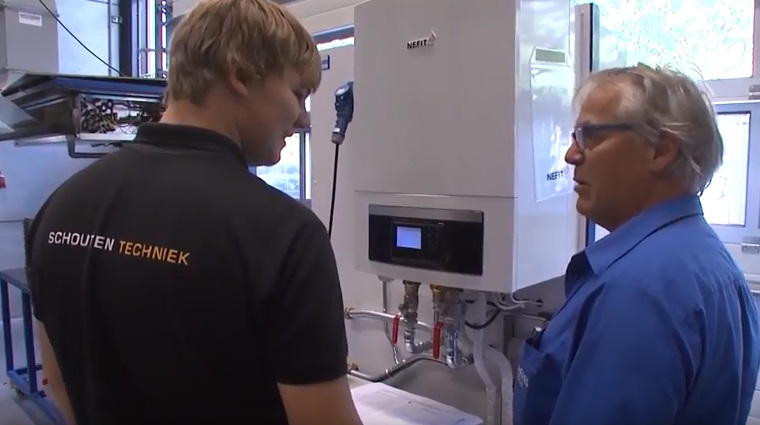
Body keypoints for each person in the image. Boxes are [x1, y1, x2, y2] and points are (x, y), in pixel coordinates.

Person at [25, 0, 363, 424]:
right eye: (298, 95)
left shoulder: (59, 207)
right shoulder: (284, 234)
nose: (304, 120)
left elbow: (58, 383)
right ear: (241, 75)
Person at [512, 64, 760, 425]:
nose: (571, 155)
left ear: (660, 150)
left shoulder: (638, 290)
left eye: (590, 135)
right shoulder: (710, 263)